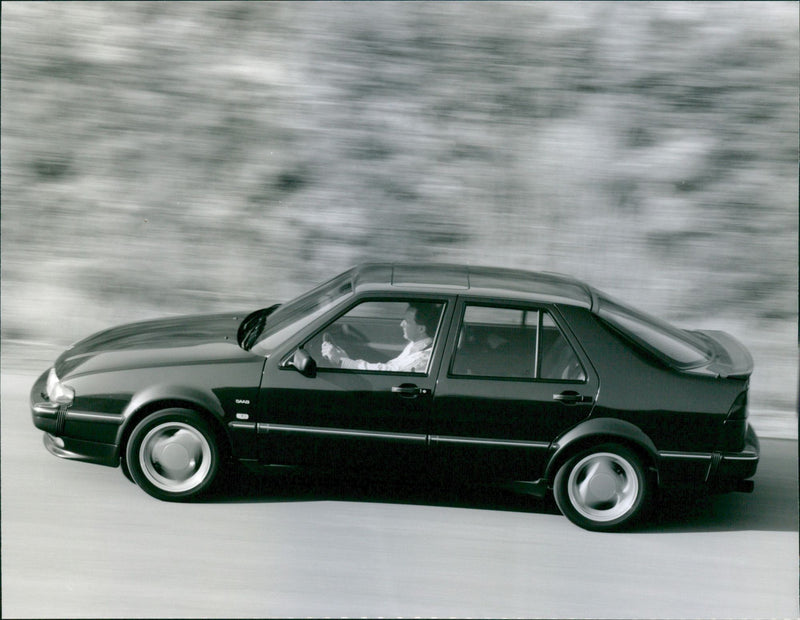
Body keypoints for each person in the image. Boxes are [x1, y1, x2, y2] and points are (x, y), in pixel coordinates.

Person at [321, 303, 441, 373]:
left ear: (421, 329)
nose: (401, 324)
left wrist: (343, 361)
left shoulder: (424, 358)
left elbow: (390, 371)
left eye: (407, 321)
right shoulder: (415, 345)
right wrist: (345, 358)